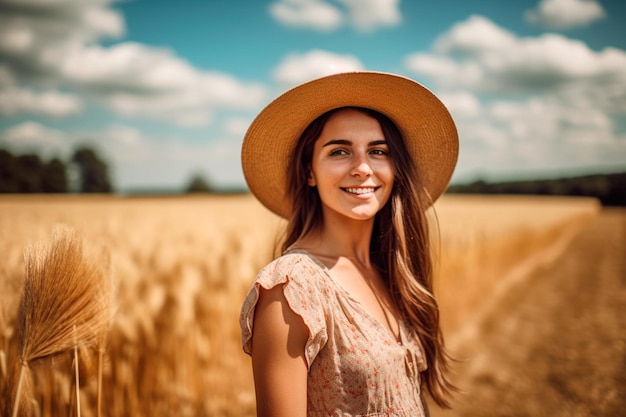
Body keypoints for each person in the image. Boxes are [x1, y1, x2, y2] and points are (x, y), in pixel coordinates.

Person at [239, 71, 459, 417]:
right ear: (309, 172)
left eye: (378, 151)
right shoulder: (291, 288)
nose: (362, 168)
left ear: (395, 168)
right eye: (339, 151)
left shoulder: (392, 271)